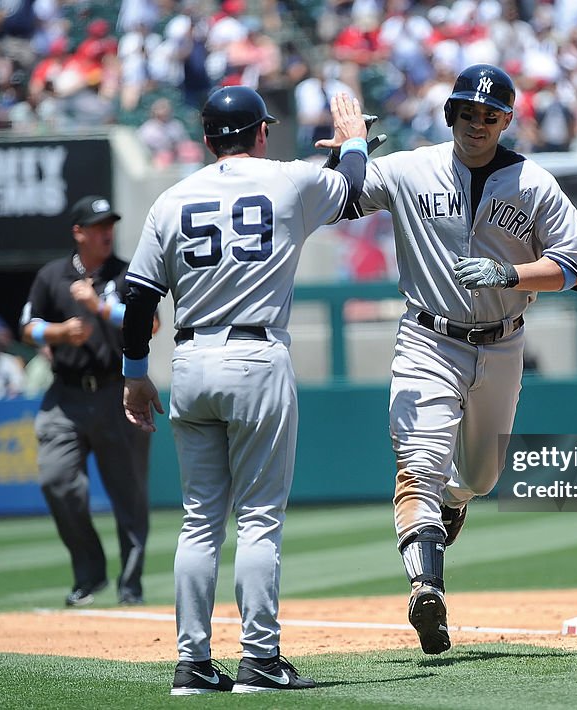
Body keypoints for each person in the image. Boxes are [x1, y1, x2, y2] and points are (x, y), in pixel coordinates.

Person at [120, 86, 368, 695]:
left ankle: (193, 665)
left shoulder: (170, 198)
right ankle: (260, 659)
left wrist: (132, 375)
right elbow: (352, 187)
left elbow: (138, 299)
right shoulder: (289, 180)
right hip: (257, 355)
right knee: (258, 517)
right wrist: (354, 142)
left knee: (199, 521)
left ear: (207, 139)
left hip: (190, 359)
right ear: (262, 133)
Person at [346, 64, 577, 655]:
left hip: (503, 341)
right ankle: (426, 586)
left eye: (490, 114)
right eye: (467, 111)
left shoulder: (533, 184)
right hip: (428, 339)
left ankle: (455, 502)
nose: (477, 122)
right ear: (450, 113)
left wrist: (511, 272)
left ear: (506, 121)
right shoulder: (411, 168)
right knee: (420, 464)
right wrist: (351, 149)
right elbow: (345, 197)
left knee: (481, 476)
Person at [19, 194, 152, 608]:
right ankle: (90, 573)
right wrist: (57, 334)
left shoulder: (127, 273)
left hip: (119, 392)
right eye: (97, 226)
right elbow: (27, 327)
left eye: (109, 224)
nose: (106, 232)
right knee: (56, 481)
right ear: (79, 232)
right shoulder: (52, 275)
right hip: (66, 395)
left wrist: (103, 308)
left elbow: (150, 323)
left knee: (128, 497)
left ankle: (130, 586)